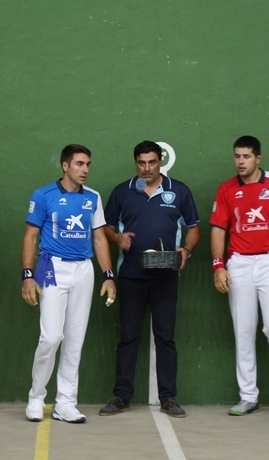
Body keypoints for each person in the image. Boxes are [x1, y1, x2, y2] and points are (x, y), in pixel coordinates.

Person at [98, 141, 200, 418]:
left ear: (160, 162)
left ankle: (168, 398)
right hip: (131, 276)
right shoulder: (122, 192)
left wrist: (186, 250)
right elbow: (105, 227)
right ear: (136, 163)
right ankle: (121, 396)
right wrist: (118, 238)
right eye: (142, 163)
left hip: (167, 276)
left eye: (152, 162)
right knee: (128, 337)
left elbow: (193, 229)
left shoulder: (179, 191)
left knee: (165, 337)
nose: (147, 168)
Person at [22, 144, 116, 424]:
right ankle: (36, 397)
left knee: (75, 339)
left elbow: (99, 238)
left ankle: (66, 402)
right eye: (79, 164)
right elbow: (30, 237)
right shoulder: (44, 195)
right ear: (65, 166)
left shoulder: (93, 198)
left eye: (87, 164)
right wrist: (28, 276)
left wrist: (109, 275)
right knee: (51, 337)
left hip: (83, 271)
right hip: (52, 268)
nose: (85, 169)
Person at [210, 135, 269, 418]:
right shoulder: (226, 189)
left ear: (258, 159)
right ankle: (248, 396)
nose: (241, 161)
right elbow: (218, 228)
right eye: (237, 156)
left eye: (246, 156)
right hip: (239, 264)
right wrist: (219, 265)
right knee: (244, 331)